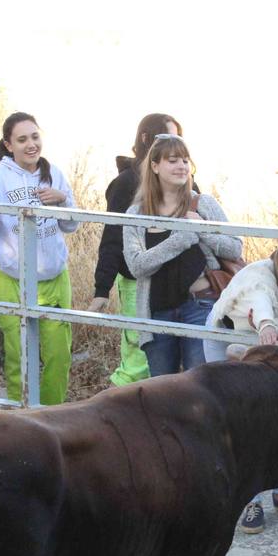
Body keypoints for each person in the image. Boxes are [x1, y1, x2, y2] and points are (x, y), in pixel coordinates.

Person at [201, 236, 278, 531]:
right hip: (226, 341)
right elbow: (259, 298)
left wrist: (271, 326)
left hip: (267, 345)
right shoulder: (259, 273)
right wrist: (266, 322)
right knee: (242, 419)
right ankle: (250, 499)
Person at [0, 112, 77, 404]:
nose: (31, 145)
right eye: (22, 139)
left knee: (58, 354)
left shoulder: (55, 173)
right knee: (17, 353)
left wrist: (63, 200)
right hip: (13, 279)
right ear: (8, 144)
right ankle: (22, 417)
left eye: (35, 137)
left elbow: (72, 224)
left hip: (53, 278)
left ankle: (53, 415)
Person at [123, 133, 242, 376]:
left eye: (185, 160)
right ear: (155, 166)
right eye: (173, 160)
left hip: (200, 306)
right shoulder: (136, 213)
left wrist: (203, 231)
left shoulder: (203, 203)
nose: (181, 166)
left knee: (201, 386)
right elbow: (137, 266)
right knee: (162, 392)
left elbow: (235, 248)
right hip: (157, 313)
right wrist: (182, 237)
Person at [92, 113, 182, 386]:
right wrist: (101, 289)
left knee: (164, 362)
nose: (174, 146)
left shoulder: (183, 181)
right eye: (166, 138)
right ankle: (113, 417)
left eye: (178, 139)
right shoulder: (125, 184)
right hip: (136, 283)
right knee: (136, 361)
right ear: (146, 139)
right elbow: (112, 238)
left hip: (174, 285)